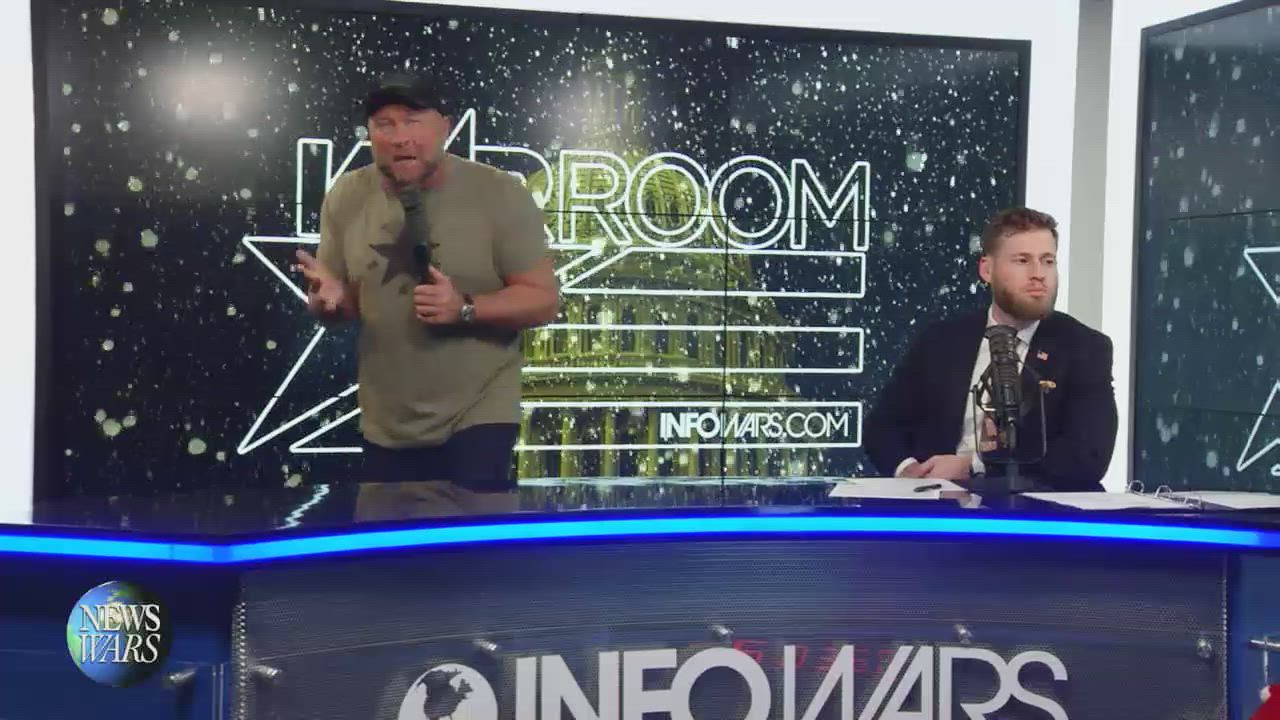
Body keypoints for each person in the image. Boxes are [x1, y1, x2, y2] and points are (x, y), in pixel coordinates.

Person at [293, 72, 558, 514]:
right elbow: (340, 303)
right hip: (386, 421)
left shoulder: (499, 193)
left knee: (469, 549)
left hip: (478, 412)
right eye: (385, 124)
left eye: (413, 121)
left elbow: (543, 299)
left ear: (445, 127)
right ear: (370, 133)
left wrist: (466, 308)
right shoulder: (346, 196)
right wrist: (328, 304)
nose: (401, 137)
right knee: (391, 550)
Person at [864, 207, 1117, 491]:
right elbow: (882, 427)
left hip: (1032, 512)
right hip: (939, 508)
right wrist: (909, 471)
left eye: (1047, 261)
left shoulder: (1084, 348)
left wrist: (975, 466)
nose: (1039, 274)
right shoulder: (941, 341)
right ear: (987, 270)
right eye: (1023, 260)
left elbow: (1088, 457)